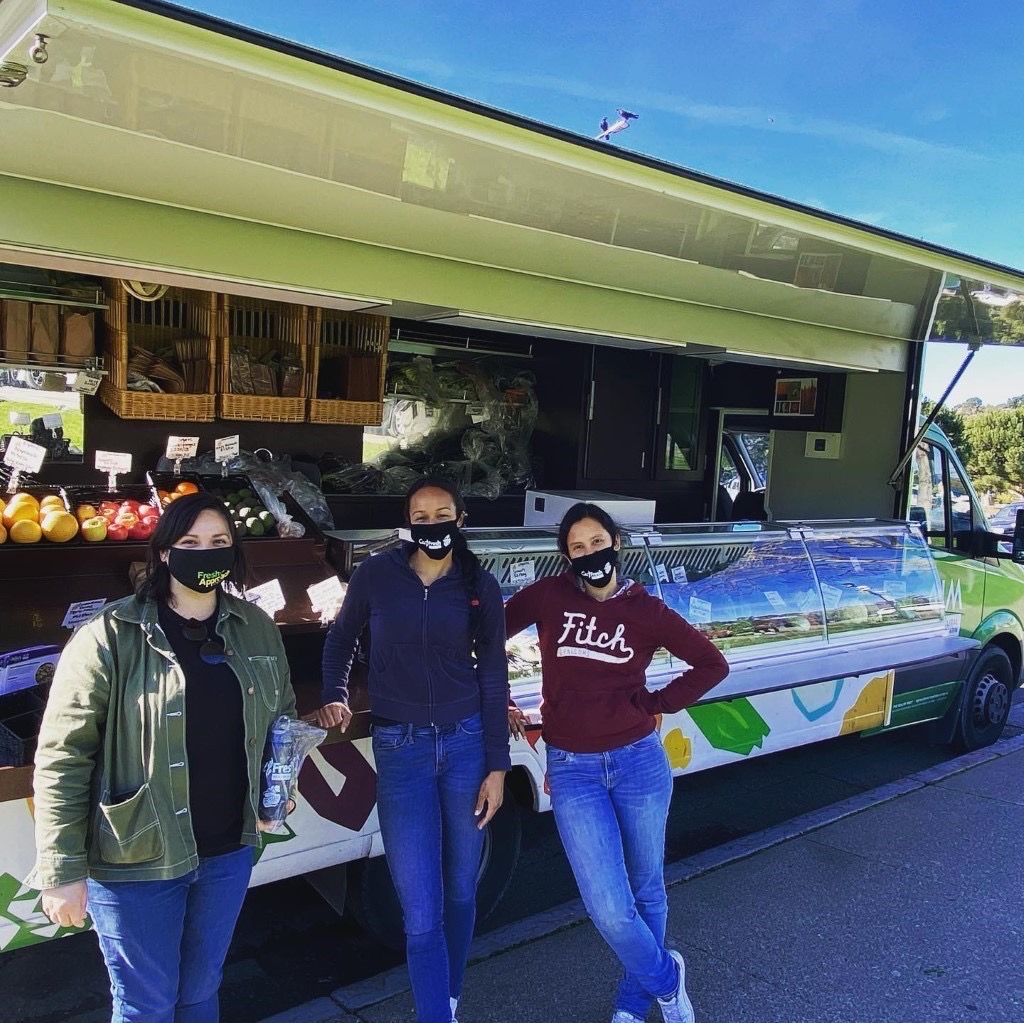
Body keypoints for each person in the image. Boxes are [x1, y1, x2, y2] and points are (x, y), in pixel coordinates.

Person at [28, 492, 296, 1023]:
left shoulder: (255, 627)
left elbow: (280, 718)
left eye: (220, 542)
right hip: (136, 856)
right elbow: (64, 756)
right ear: (165, 553)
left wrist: (278, 787)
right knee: (145, 1006)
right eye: (190, 542)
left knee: (199, 994)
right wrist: (61, 870)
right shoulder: (110, 634)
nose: (207, 553)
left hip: (226, 850)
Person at [506, 502, 729, 1023]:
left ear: (616, 544)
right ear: (566, 556)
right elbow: (485, 630)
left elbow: (712, 663)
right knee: (608, 905)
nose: (589, 555)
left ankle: (634, 998)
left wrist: (655, 704)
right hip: (572, 766)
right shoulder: (549, 596)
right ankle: (668, 980)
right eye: (577, 548)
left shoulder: (646, 611)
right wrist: (500, 697)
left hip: (638, 762)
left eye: (597, 543)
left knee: (646, 886)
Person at [318, 476, 510, 1023]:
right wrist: (334, 691)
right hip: (400, 750)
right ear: (408, 523)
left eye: (442, 513)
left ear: (461, 519)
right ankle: (436, 1012)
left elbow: (493, 674)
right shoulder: (378, 573)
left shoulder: (479, 584)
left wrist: (498, 765)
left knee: (461, 888)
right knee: (420, 908)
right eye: (421, 517)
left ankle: (445, 999)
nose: (432, 524)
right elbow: (342, 636)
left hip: (468, 743)